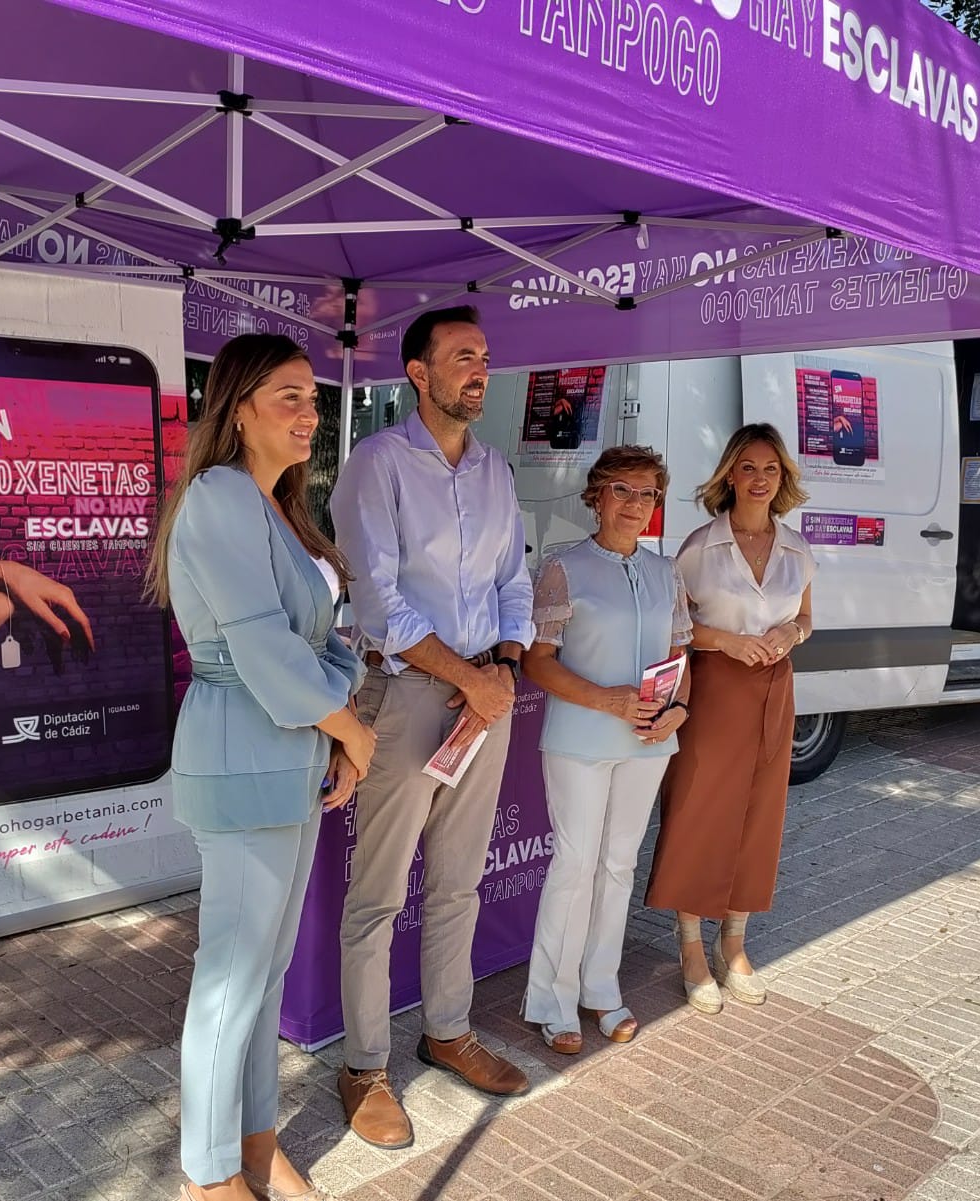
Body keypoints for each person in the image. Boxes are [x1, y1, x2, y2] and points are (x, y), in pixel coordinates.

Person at [146, 333, 375, 1201]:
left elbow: (326, 642)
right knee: (232, 977)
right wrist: (353, 732)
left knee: (264, 975)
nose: (310, 412)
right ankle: (209, 1180)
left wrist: (338, 732)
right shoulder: (218, 496)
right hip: (245, 750)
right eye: (289, 395)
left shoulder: (280, 506)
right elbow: (268, 654)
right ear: (237, 407)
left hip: (293, 755)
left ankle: (254, 1141)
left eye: (314, 397)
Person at [329, 306, 534, 1148]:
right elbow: (380, 603)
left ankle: (446, 1030)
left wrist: (508, 668)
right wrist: (471, 678)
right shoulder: (374, 465)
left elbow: (515, 580)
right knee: (378, 894)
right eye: (461, 356)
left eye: (483, 356)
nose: (478, 369)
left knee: (458, 880)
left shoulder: (495, 470)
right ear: (417, 371)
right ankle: (363, 1067)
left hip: (487, 695)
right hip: (415, 694)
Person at [521, 446, 692, 1053]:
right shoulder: (564, 568)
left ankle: (600, 988)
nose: (635, 505)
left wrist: (677, 708)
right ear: (596, 495)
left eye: (647, 494)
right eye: (623, 491)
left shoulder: (663, 571)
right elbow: (537, 663)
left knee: (619, 864)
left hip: (649, 742)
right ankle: (552, 999)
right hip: (579, 740)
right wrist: (608, 701)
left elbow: (680, 659)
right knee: (574, 864)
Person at [645, 423, 816, 1013]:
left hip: (775, 690)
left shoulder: (798, 547)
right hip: (715, 688)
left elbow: (807, 620)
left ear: (783, 478)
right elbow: (675, 625)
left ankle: (735, 944)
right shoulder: (700, 547)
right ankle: (691, 944)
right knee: (700, 810)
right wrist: (725, 641)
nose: (760, 478)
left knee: (759, 815)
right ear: (729, 475)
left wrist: (790, 632)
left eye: (771, 469)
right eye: (748, 467)